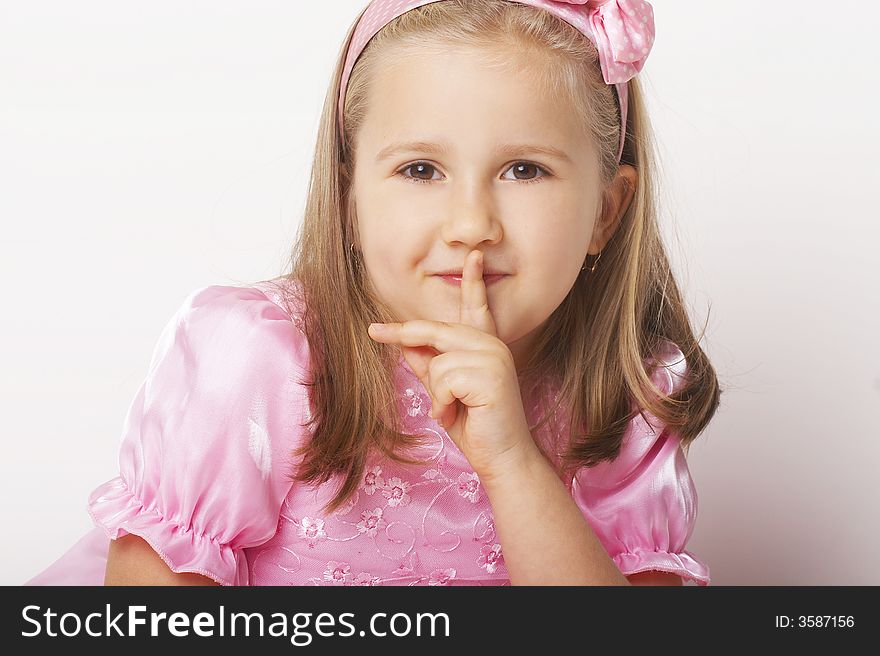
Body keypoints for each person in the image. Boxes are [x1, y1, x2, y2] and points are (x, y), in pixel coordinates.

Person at [25, 0, 721, 587]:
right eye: (421, 169)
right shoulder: (262, 359)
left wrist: (512, 463)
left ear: (605, 211)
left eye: (524, 169)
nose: (472, 224)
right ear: (348, 199)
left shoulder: (627, 398)